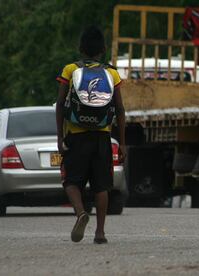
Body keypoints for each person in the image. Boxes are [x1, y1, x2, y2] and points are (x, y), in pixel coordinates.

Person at [55, 26, 126, 244]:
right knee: (101, 185)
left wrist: (60, 137)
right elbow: (120, 109)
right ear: (103, 49)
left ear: (81, 48)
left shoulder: (69, 70)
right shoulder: (112, 73)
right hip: (102, 137)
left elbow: (60, 105)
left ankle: (80, 213)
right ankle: (100, 233)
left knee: (71, 181)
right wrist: (122, 143)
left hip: (76, 136)